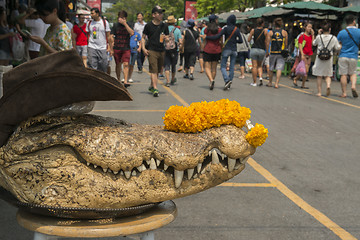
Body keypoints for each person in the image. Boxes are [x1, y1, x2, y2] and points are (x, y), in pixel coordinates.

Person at [206, 14, 243, 90]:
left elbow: (217, 36)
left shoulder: (226, 28)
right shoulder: (237, 29)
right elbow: (240, 40)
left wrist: (207, 37)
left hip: (226, 49)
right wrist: (234, 40)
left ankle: (227, 80)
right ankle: (229, 82)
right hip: (234, 50)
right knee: (232, 67)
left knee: (223, 66)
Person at [142, 5, 169, 97]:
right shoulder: (148, 25)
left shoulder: (164, 25)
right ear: (154, 15)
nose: (161, 15)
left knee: (158, 70)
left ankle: (151, 85)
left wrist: (166, 38)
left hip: (162, 50)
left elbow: (168, 37)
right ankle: (155, 88)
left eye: (162, 13)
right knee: (153, 70)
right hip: (152, 50)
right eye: (159, 13)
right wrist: (143, 48)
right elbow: (143, 38)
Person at [312, 21, 341, 97]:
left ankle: (319, 92)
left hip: (320, 57)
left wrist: (318, 34)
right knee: (328, 75)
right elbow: (337, 48)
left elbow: (314, 43)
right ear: (330, 29)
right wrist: (340, 45)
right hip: (329, 57)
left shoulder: (319, 37)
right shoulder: (333, 38)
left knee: (319, 75)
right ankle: (328, 85)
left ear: (322, 29)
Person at [337, 14, 360, 98]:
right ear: (354, 21)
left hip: (343, 55)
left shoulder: (341, 32)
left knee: (343, 75)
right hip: (354, 56)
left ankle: (344, 93)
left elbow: (338, 44)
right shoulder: (359, 32)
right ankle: (353, 86)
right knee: (353, 73)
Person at [111, 10, 134, 87]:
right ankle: (118, 79)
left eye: (121, 18)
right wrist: (110, 48)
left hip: (126, 48)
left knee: (126, 64)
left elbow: (132, 33)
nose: (119, 19)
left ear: (125, 18)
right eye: (119, 17)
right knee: (118, 64)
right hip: (117, 48)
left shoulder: (129, 24)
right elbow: (111, 36)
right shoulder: (115, 25)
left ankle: (126, 81)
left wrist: (125, 24)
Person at [86, 7, 113, 72]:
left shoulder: (104, 22)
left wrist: (110, 48)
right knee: (92, 66)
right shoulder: (89, 23)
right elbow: (87, 35)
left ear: (97, 14)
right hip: (92, 47)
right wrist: (88, 45)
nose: (91, 15)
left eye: (92, 13)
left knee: (103, 66)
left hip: (102, 48)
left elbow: (109, 36)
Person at [266, 18, 288, 89]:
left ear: (274, 24)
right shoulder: (284, 32)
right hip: (281, 53)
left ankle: (270, 82)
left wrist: (267, 51)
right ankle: (276, 83)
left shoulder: (271, 32)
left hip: (273, 52)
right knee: (279, 68)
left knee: (271, 67)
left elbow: (267, 43)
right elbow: (286, 43)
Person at [201, 14, 222, 90]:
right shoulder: (219, 29)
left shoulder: (206, 30)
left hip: (207, 49)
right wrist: (221, 48)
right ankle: (212, 81)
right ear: (215, 20)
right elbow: (221, 41)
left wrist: (202, 48)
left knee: (207, 67)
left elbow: (204, 40)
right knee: (214, 68)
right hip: (217, 50)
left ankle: (211, 80)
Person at [293, 22, 314, 89]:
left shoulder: (310, 36)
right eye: (308, 27)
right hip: (304, 54)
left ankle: (301, 83)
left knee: (306, 71)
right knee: (304, 70)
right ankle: (297, 79)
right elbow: (300, 45)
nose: (310, 29)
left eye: (311, 27)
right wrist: (302, 54)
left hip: (309, 55)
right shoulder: (302, 36)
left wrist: (313, 35)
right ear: (305, 27)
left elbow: (313, 44)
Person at [248, 18, 267, 86]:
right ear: (262, 23)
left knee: (254, 66)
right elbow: (267, 41)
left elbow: (248, 39)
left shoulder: (253, 30)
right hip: (262, 50)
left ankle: (254, 82)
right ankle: (261, 78)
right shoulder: (265, 31)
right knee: (260, 66)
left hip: (254, 49)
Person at [164, 15, 182, 87]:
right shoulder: (177, 30)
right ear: (174, 22)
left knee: (167, 65)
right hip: (174, 50)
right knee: (173, 65)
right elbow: (180, 41)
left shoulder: (164, 29)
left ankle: (167, 81)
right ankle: (172, 79)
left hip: (166, 50)